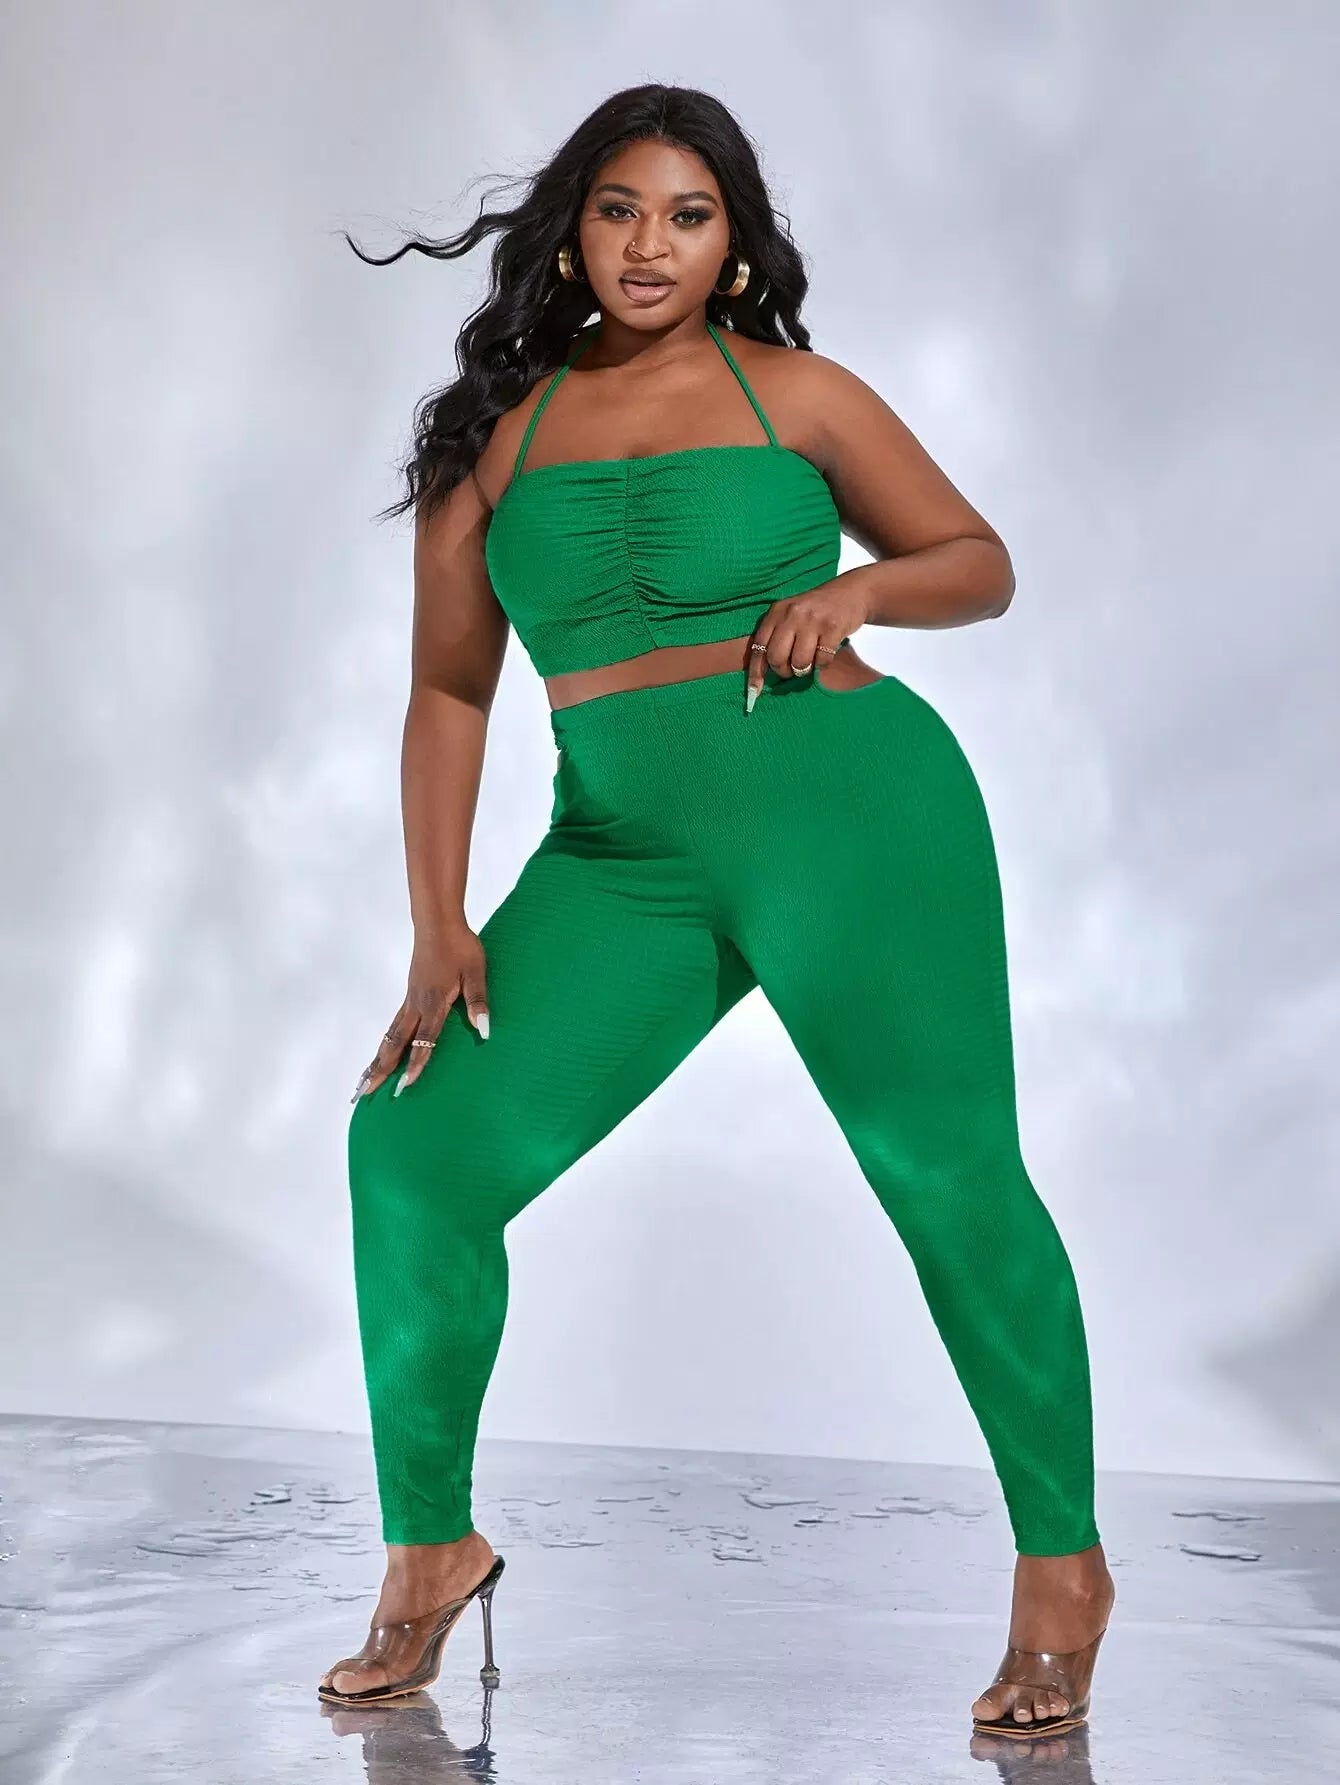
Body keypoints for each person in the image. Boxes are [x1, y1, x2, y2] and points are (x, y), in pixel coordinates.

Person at [318, 82, 1116, 1737]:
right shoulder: (492, 440)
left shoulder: (796, 393)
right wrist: (438, 922)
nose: (649, 246)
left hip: (854, 820)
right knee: (413, 1149)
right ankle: (428, 1548)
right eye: (619, 210)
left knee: (948, 1182)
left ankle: (1063, 1570)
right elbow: (449, 692)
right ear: (571, 231)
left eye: (689, 215)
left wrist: (859, 587)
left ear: (734, 244)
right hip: (621, 859)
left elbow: (979, 560)